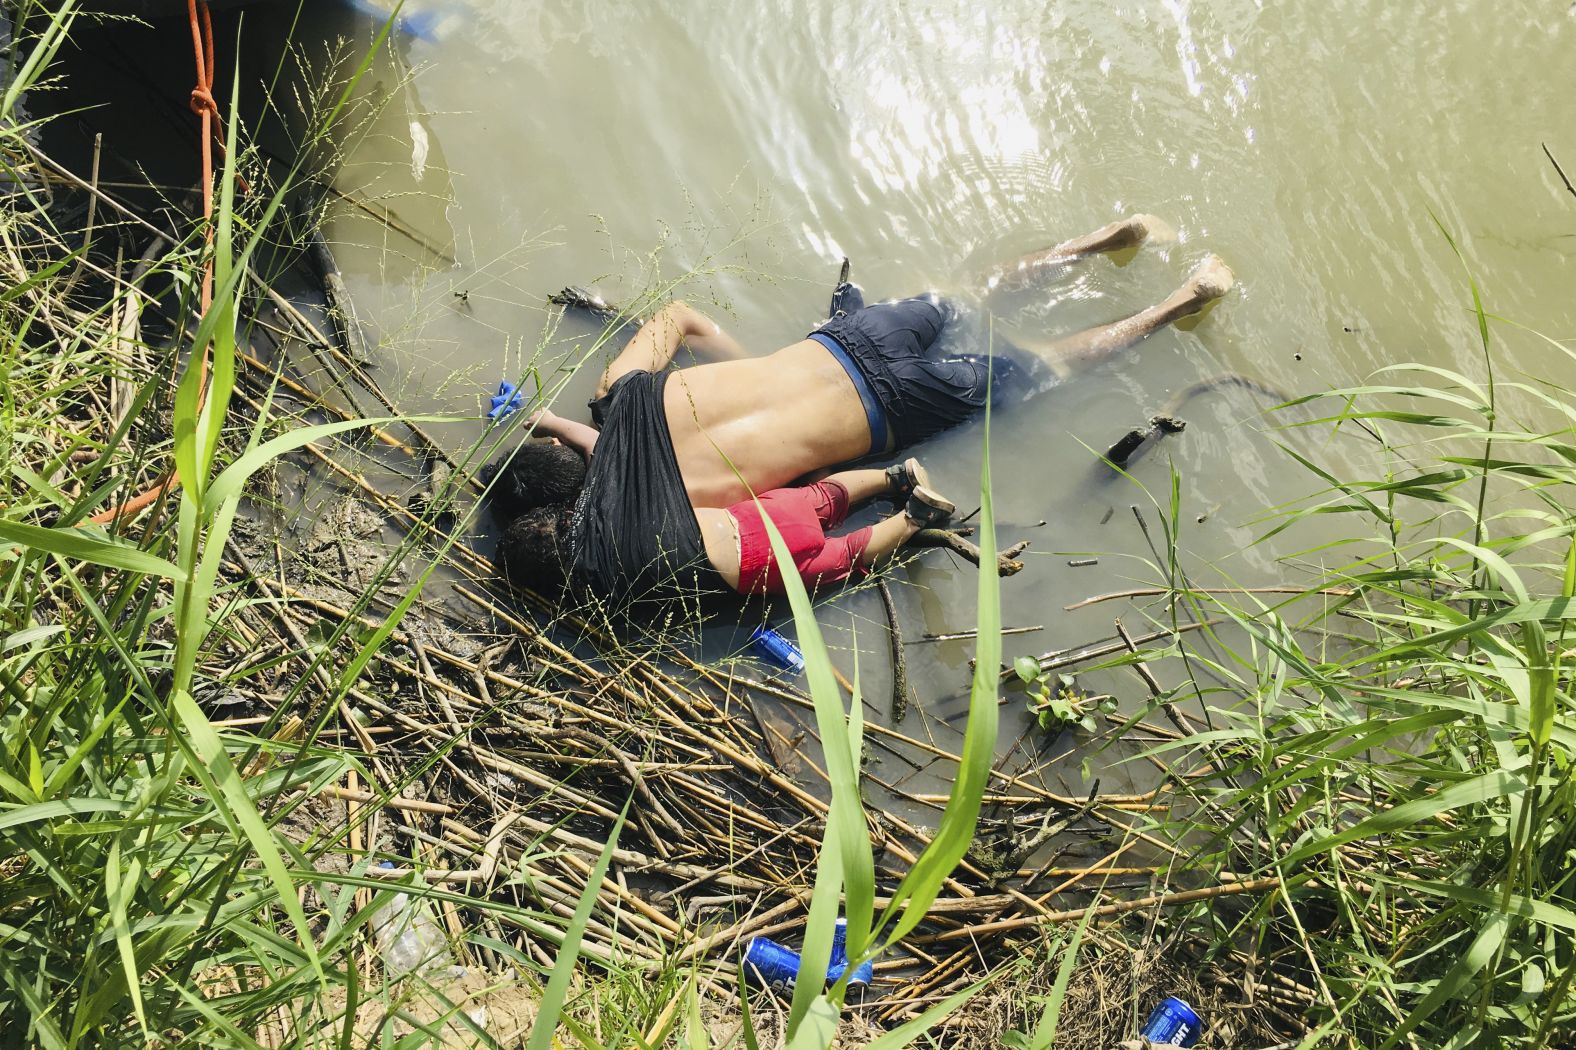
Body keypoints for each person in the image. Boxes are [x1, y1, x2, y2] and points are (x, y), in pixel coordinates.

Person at [489, 214, 1235, 604]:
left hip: (891, 411)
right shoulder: (617, 391)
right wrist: (771, 371)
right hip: (847, 343)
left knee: (1045, 363)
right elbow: (682, 314)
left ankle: (1182, 301)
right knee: (966, 294)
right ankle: (1109, 239)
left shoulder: (685, 512)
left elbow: (801, 516)